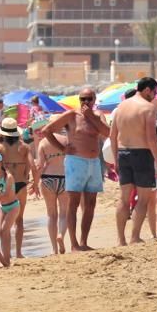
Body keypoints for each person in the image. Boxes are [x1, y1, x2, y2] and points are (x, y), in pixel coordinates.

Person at [40, 87, 110, 251]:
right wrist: (62, 149)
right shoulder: (72, 115)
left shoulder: (98, 116)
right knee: (74, 202)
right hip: (75, 162)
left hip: (94, 162)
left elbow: (108, 133)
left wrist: (91, 117)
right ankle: (74, 244)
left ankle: (84, 241)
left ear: (94, 100)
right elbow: (46, 131)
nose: (85, 102)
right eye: (82, 99)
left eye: (89, 99)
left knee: (91, 203)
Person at [110, 77, 157, 246]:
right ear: (147, 90)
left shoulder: (121, 107)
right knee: (143, 199)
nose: (155, 96)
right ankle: (134, 236)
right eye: (154, 92)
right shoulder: (148, 108)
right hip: (141, 154)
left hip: (123, 152)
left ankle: (121, 239)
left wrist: (115, 160)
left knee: (124, 198)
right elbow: (151, 138)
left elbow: (112, 136)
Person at [0, 118, 38, 258]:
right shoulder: (24, 147)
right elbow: (33, 166)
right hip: (21, 184)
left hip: (6, 183)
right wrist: (35, 184)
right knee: (19, 220)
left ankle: (6, 253)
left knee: (4, 217)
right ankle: (18, 252)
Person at [37, 126, 69, 254]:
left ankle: (54, 249)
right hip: (64, 177)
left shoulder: (43, 142)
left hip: (48, 178)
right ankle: (61, 234)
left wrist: (35, 182)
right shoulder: (66, 140)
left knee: (51, 214)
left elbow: (40, 165)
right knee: (63, 213)